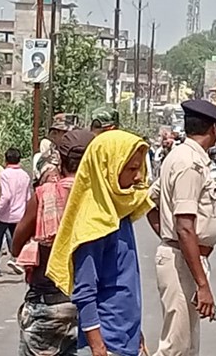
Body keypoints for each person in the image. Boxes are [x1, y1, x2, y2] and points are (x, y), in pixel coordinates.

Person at [46, 130, 153, 356]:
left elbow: (124, 286)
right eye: (132, 169)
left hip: (125, 339)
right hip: (108, 342)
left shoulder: (118, 213)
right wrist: (97, 347)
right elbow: (85, 292)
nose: (137, 177)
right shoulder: (94, 224)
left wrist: (136, 334)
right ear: (109, 169)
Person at [146, 100, 216, 356]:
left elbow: (150, 200)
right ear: (214, 129)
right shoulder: (189, 163)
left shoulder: (182, 157)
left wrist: (168, 234)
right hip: (182, 260)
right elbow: (184, 227)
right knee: (176, 348)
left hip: (185, 255)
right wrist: (202, 285)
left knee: (187, 346)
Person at [12, 130, 95, 356]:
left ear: (60, 159)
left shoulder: (44, 195)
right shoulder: (101, 197)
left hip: (48, 303)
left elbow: (16, 245)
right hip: (91, 307)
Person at [0, 148, 32, 278]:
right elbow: (28, 197)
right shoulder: (25, 175)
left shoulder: (5, 174)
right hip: (20, 214)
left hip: (5, 214)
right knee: (19, 240)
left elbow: (6, 196)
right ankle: (20, 262)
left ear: (6, 160)